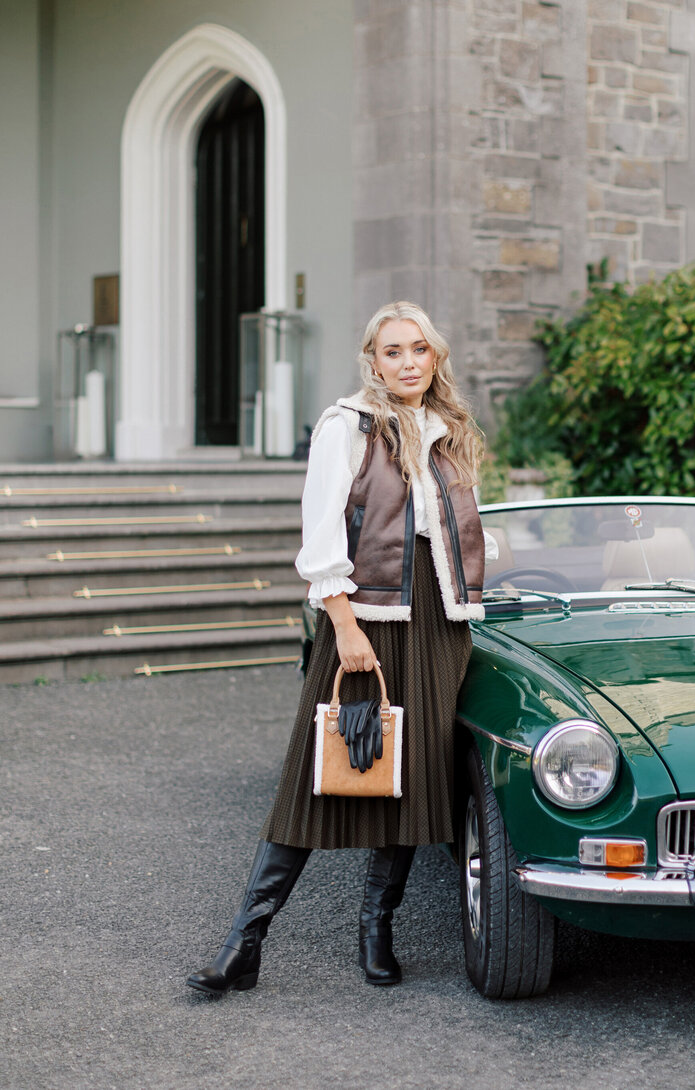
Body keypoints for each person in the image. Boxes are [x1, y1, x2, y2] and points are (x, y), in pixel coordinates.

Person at [187, 301, 497, 996]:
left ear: (435, 355)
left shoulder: (448, 429)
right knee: (317, 775)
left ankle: (375, 930)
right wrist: (346, 625)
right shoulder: (347, 425)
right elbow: (322, 530)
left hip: (439, 624)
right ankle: (245, 943)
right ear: (373, 359)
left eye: (419, 349)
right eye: (393, 352)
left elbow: (457, 531)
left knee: (406, 778)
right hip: (367, 614)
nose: (409, 362)